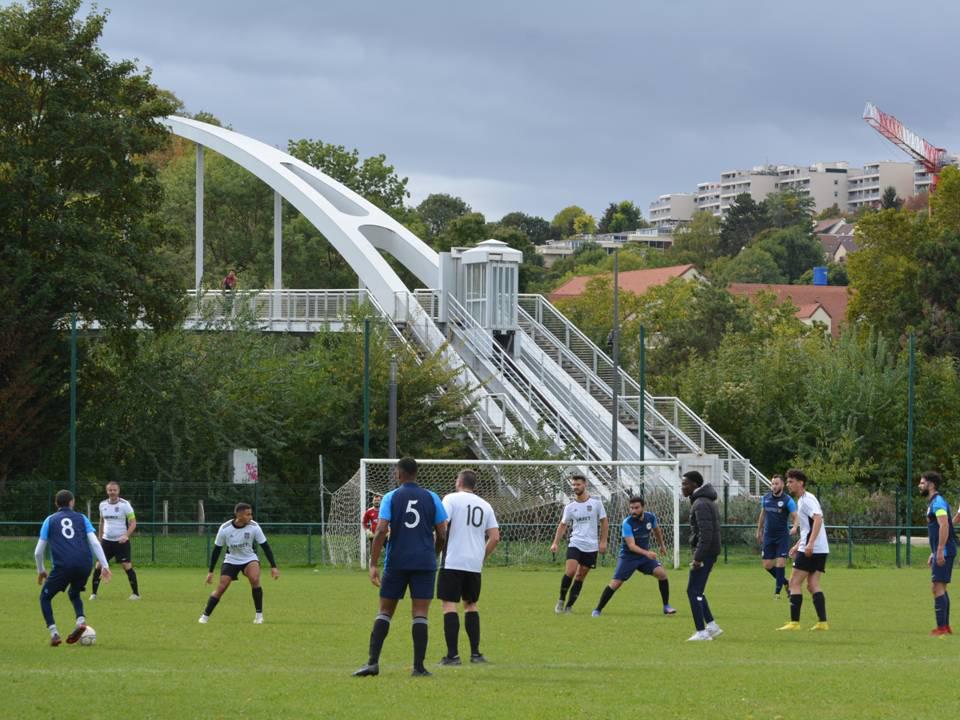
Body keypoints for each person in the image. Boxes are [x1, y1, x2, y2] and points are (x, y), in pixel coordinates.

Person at [354, 457, 448, 677]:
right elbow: (443, 533)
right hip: (424, 563)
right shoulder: (432, 497)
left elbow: (380, 531)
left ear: (399, 474)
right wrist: (432, 554)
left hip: (397, 561)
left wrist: (373, 563)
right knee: (420, 614)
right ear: (416, 474)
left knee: (385, 611)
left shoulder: (391, 497)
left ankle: (372, 663)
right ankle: (419, 667)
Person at [437, 469, 500, 666]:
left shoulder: (451, 499)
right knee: (471, 604)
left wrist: (434, 547)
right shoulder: (485, 505)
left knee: (449, 604)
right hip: (473, 563)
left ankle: (452, 656)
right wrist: (481, 555)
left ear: (459, 482)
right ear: (474, 485)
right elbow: (495, 537)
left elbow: (442, 525)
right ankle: (475, 654)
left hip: (453, 559)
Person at [34, 489, 112, 646]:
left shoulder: (49, 520)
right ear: (72, 502)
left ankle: (54, 633)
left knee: (45, 597)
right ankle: (81, 621)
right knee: (74, 593)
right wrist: (104, 565)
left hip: (63, 566)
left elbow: (38, 552)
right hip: (85, 564)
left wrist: (41, 570)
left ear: (56, 503)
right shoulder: (82, 518)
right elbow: (95, 542)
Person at [592, 496, 675, 617]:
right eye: (631, 508)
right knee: (615, 584)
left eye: (636, 508)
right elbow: (631, 546)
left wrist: (662, 545)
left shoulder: (650, 517)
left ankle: (666, 606)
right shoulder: (627, 523)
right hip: (628, 557)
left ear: (643, 507)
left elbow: (657, 530)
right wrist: (647, 553)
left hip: (643, 557)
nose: (633, 511)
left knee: (662, 574)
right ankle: (598, 609)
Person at [199, 502, 279, 625]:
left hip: (249, 559)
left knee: (254, 579)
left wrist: (273, 566)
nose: (251, 517)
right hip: (231, 560)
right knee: (222, 587)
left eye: (251, 514)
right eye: (248, 514)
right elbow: (217, 550)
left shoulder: (254, 527)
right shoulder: (225, 529)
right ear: (239, 515)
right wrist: (210, 571)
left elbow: (265, 547)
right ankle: (205, 616)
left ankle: (259, 616)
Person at [778, 468, 829, 631]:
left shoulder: (807, 500)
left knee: (793, 583)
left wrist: (809, 544)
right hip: (820, 548)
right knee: (813, 585)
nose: (788, 484)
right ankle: (823, 622)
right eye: (787, 481)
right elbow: (809, 527)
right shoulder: (803, 500)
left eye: (791, 481)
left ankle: (794, 623)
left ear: (801, 483)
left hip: (813, 548)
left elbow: (818, 519)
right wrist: (798, 544)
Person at [550, 474, 608, 614]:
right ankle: (561, 601)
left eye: (578, 484)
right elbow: (563, 525)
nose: (575, 487)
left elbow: (604, 522)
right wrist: (555, 543)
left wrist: (603, 541)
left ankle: (569, 606)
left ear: (585, 485)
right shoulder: (570, 507)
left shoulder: (596, 503)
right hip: (575, 542)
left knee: (580, 576)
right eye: (574, 485)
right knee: (570, 571)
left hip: (591, 546)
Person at [683, 470, 723, 641]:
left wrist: (698, 558)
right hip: (708, 552)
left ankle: (701, 632)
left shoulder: (700, 503)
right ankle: (712, 626)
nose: (682, 487)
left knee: (693, 590)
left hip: (705, 554)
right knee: (698, 590)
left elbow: (706, 534)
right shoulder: (703, 501)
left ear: (695, 485)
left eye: (685, 484)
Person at [919, 470, 956, 636]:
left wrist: (940, 550)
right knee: (940, 587)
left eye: (922, 483)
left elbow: (944, 525)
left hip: (945, 550)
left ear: (931, 485)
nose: (920, 486)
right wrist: (934, 552)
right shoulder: (933, 502)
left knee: (937, 587)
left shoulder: (938, 502)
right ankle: (945, 627)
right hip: (942, 550)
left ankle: (942, 628)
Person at [90, 481, 139, 600]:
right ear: (107, 491)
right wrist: (100, 539)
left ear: (118, 491)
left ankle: (135, 594)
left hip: (121, 541)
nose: (112, 492)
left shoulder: (125, 505)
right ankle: (94, 594)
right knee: (99, 565)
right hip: (106, 541)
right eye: (110, 490)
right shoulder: (102, 504)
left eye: (114, 490)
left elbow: (133, 523)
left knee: (126, 565)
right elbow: (101, 522)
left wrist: (126, 535)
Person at [755, 474, 798, 597]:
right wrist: (759, 531)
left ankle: (777, 593)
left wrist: (795, 527)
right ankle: (786, 582)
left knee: (780, 563)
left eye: (776, 484)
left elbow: (795, 516)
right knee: (767, 565)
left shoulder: (788, 500)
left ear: (782, 485)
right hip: (768, 536)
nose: (774, 486)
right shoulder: (766, 498)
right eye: (772, 484)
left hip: (782, 536)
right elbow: (762, 515)